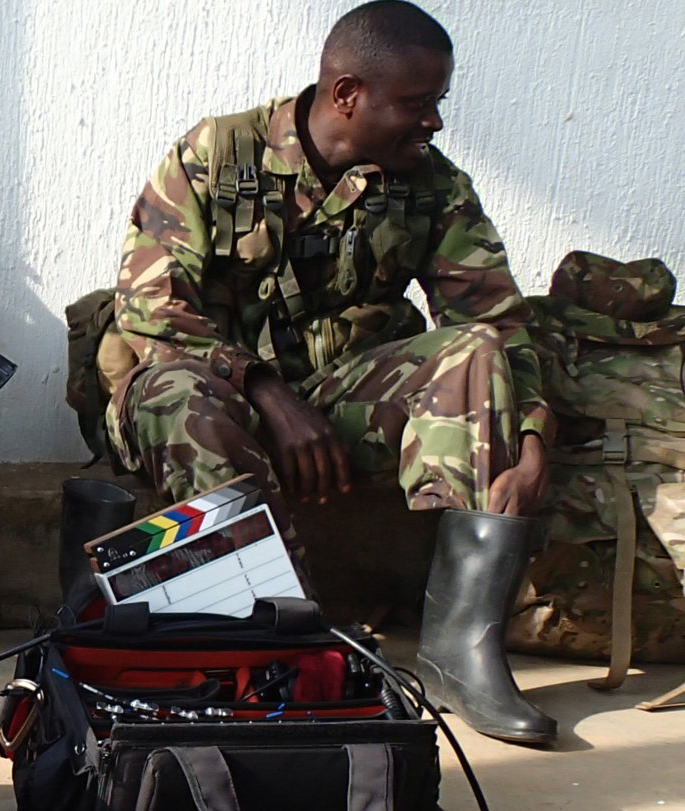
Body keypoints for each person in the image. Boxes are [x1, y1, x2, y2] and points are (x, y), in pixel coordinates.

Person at [104, 0, 561, 745]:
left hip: (334, 401)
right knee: (180, 396)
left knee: (474, 350)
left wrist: (534, 437)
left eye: (437, 105)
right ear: (347, 94)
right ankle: (273, 646)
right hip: (201, 394)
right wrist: (266, 391)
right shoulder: (217, 155)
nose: (434, 124)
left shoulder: (432, 186)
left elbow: (499, 323)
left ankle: (459, 653)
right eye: (418, 105)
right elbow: (150, 310)